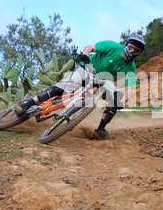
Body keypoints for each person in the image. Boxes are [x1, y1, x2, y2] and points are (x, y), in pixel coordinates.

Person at [15, 34, 146, 140]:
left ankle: (100, 129)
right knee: (61, 88)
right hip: (88, 69)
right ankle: (26, 105)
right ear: (125, 45)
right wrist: (85, 56)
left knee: (117, 97)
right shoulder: (112, 46)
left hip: (103, 80)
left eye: (136, 50)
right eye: (131, 47)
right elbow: (89, 47)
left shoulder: (131, 68)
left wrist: (121, 103)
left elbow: (130, 90)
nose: (132, 51)